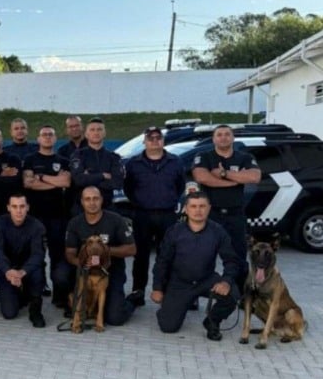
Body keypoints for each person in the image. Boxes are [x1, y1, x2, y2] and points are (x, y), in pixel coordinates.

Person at [151, 191, 242, 341]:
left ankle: (212, 321)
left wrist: (225, 281)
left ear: (209, 208)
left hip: (206, 280)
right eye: (193, 206)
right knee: (168, 327)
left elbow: (231, 260)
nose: (198, 210)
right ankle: (175, 304)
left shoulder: (218, 231)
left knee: (233, 294)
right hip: (179, 283)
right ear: (186, 209)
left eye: (202, 206)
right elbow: (162, 261)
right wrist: (157, 288)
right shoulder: (175, 231)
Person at [191, 124, 261, 288]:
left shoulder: (243, 157)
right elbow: (202, 177)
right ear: (214, 138)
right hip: (210, 214)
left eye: (227, 134)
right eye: (219, 134)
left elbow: (255, 176)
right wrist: (234, 181)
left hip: (235, 214)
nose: (223, 137)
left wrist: (224, 174)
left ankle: (239, 293)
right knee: (201, 255)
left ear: (233, 137)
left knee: (238, 256)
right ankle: (195, 293)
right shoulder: (205, 156)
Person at [123, 126, 186, 305]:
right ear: (145, 141)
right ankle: (138, 292)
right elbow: (129, 188)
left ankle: (164, 290)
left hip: (167, 215)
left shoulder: (175, 161)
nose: (155, 141)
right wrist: (139, 202)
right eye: (150, 138)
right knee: (140, 256)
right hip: (142, 215)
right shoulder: (133, 163)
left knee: (166, 255)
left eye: (158, 137)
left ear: (163, 140)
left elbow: (179, 186)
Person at [64, 187, 140, 325]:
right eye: (87, 199)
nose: (92, 203)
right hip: (86, 271)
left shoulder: (116, 220)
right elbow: (69, 253)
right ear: (82, 202)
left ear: (101, 200)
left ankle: (132, 300)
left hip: (111, 270)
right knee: (62, 278)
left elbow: (132, 249)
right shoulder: (75, 223)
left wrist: (103, 250)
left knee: (115, 318)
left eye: (95, 198)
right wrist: (81, 263)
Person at [22, 125, 72, 312]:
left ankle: (59, 296)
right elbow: (28, 183)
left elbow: (66, 182)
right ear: (38, 138)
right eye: (44, 134)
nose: (48, 137)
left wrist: (41, 178)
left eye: (51, 134)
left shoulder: (63, 160)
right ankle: (34, 293)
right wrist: (54, 181)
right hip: (35, 217)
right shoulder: (30, 159)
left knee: (58, 257)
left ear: (55, 137)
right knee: (35, 256)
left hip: (58, 216)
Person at [0, 194, 47, 327]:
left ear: (28, 207)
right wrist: (8, 271)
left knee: (38, 272)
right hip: (8, 270)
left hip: (30, 270)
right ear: (8, 208)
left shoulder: (37, 226)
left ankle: (35, 309)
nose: (18, 210)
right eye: (14, 206)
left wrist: (22, 272)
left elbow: (38, 254)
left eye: (22, 206)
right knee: (9, 314)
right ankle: (19, 296)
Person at [70, 117, 124, 209]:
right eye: (92, 130)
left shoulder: (114, 157)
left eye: (99, 129)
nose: (96, 132)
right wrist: (103, 176)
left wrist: (90, 177)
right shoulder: (78, 155)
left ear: (104, 133)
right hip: (82, 210)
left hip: (107, 208)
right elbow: (79, 180)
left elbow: (117, 183)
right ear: (86, 134)